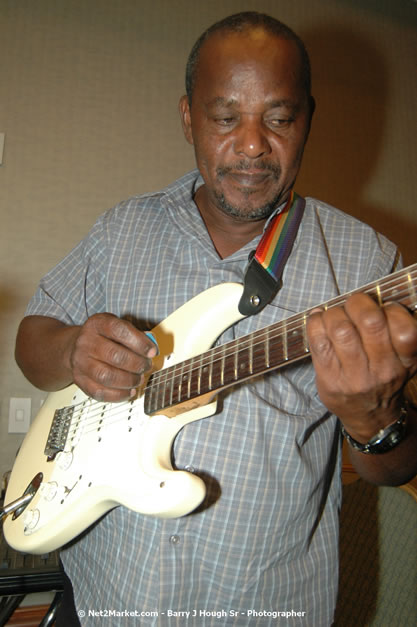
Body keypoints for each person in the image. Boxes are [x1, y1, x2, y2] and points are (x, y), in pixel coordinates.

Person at [14, 11, 417, 626]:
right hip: (99, 601)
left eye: (279, 119)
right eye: (225, 118)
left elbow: (397, 468)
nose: (253, 144)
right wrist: (72, 349)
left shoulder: (368, 264)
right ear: (188, 117)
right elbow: (30, 341)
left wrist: (376, 418)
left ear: (308, 118)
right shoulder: (122, 229)